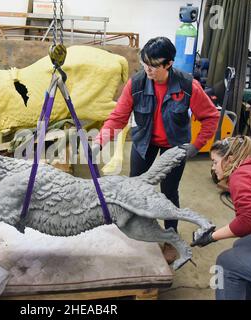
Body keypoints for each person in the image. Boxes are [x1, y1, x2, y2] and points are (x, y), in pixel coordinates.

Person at [92, 36, 220, 263]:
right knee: (133, 187)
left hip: (174, 145)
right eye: (144, 64)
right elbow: (118, 117)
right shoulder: (137, 83)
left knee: (169, 192)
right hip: (144, 142)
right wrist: (101, 140)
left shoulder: (188, 85)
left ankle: (170, 238)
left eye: (153, 65)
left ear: (169, 63)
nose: (148, 69)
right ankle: (135, 230)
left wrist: (196, 145)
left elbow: (210, 116)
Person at [191, 135, 251, 300]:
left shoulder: (240, 175)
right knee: (242, 245)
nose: (213, 168)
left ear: (229, 159)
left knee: (226, 264)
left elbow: (248, 221)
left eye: (215, 162)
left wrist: (211, 236)